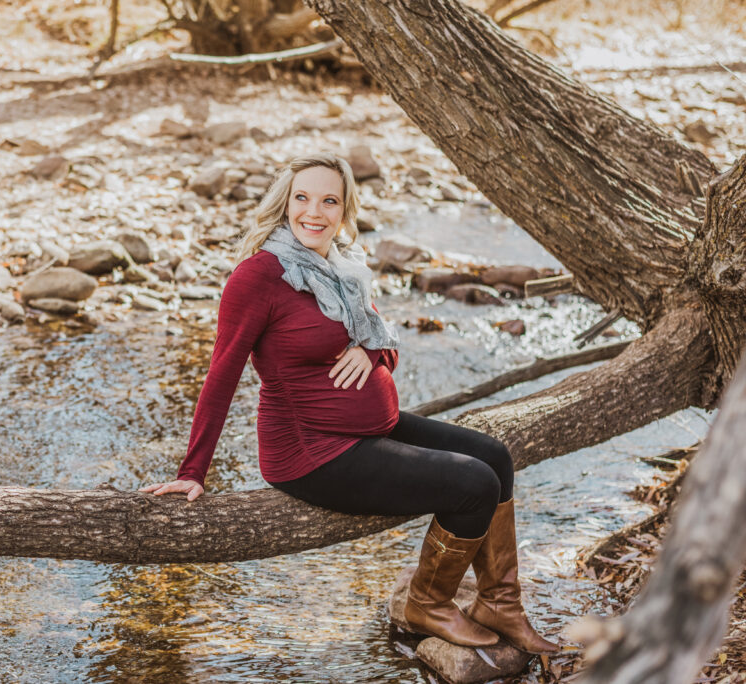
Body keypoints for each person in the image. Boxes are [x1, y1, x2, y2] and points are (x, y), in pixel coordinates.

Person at [139, 152, 558, 654]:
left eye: (328, 201)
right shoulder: (258, 277)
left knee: (495, 457)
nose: (314, 212)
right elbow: (221, 374)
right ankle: (429, 600)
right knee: (473, 483)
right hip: (312, 452)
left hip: (368, 432)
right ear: (285, 204)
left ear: (343, 209)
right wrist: (193, 471)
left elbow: (386, 345)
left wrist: (369, 348)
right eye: (303, 199)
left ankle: (499, 604)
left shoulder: (342, 268)